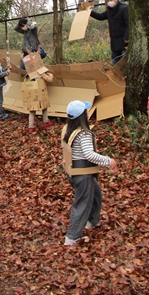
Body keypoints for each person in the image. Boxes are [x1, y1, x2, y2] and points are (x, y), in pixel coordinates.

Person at [61, 100, 117, 246]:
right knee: (82, 203)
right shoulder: (83, 134)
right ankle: (72, 237)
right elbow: (89, 154)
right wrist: (108, 161)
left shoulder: (69, 129)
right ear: (82, 116)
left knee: (96, 192)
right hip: (82, 173)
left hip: (74, 171)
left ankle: (92, 220)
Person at [90, 0, 129, 65]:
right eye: (108, 1)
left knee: (125, 64)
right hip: (114, 43)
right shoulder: (109, 11)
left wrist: (126, 37)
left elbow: (128, 24)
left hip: (124, 42)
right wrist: (90, 12)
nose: (109, 2)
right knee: (115, 63)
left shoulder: (124, 9)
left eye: (110, 0)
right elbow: (101, 16)